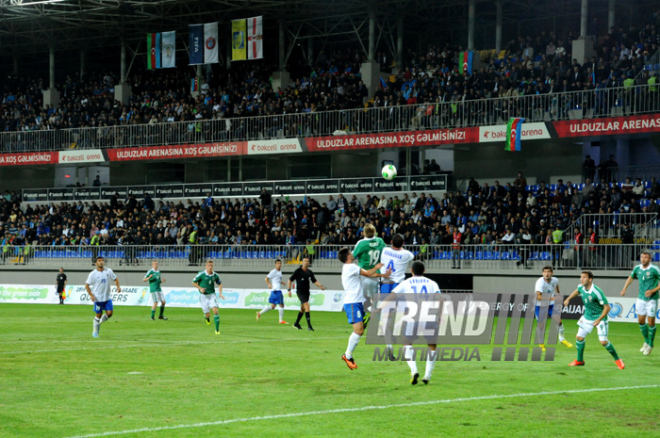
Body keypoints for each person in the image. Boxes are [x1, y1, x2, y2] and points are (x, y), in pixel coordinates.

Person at [338, 247, 391, 370]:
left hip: (357, 302)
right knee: (359, 331)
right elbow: (368, 273)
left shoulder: (352, 268)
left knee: (360, 329)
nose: (352, 253)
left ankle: (348, 354)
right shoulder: (350, 267)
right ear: (348, 257)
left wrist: (383, 274)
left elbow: (368, 273)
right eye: (351, 253)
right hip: (352, 303)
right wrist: (377, 267)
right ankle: (347, 355)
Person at [393, 261, 441, 385]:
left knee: (406, 343)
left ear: (411, 271)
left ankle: (414, 370)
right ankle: (427, 376)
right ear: (424, 271)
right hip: (429, 317)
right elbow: (440, 299)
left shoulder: (406, 282)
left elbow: (393, 295)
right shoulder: (432, 283)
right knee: (432, 345)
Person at [564, 271, 624, 369]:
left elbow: (607, 307)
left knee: (603, 342)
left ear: (590, 279)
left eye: (584, 277)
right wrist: (569, 298)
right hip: (587, 316)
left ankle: (618, 360)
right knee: (579, 337)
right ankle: (579, 360)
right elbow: (577, 290)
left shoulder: (596, 292)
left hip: (599, 317)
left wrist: (599, 319)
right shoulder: (581, 287)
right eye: (581, 277)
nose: (581, 279)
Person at [620, 250, 660, 355]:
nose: (643, 259)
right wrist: (624, 288)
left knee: (651, 322)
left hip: (652, 299)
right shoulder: (637, 268)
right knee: (641, 321)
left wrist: (652, 290)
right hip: (640, 298)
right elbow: (631, 277)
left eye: (646, 257)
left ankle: (651, 344)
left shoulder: (655, 269)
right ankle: (646, 341)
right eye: (642, 257)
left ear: (650, 259)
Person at [534, 266, 573, 351]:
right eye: (545, 272)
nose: (546, 273)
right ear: (542, 273)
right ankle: (541, 344)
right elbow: (538, 297)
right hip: (540, 306)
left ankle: (562, 339)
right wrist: (553, 298)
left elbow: (556, 285)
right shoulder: (540, 282)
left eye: (548, 272)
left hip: (551, 305)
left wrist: (558, 293)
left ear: (552, 273)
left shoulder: (555, 280)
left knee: (558, 321)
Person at [352, 223, 386, 314]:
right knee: (375, 299)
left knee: (359, 298)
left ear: (363, 233)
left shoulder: (361, 243)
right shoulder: (380, 241)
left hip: (364, 274)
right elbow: (386, 254)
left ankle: (360, 319)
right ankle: (375, 319)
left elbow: (352, 257)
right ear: (374, 232)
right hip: (375, 275)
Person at [85, 256, 121, 338]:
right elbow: (86, 285)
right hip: (98, 298)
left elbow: (115, 279)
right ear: (96, 263)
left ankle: (99, 323)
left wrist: (118, 287)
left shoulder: (109, 271)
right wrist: (91, 295)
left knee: (110, 313)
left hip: (107, 297)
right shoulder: (93, 274)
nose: (101, 262)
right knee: (99, 314)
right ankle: (95, 332)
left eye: (102, 260)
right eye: (99, 261)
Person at [287, 257, 326, 331]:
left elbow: (314, 281)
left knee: (303, 308)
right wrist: (289, 290)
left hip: (306, 292)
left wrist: (320, 286)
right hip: (300, 292)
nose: (306, 262)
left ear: (309, 263)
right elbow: (290, 280)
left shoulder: (309, 272)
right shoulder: (298, 271)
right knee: (307, 306)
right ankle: (309, 326)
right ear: (302, 262)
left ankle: (296, 323)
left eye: (307, 261)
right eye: (304, 261)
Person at [192, 259, 225, 335]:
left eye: (211, 265)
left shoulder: (215, 275)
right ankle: (207, 318)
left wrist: (220, 293)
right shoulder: (201, 274)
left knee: (215, 311)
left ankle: (217, 330)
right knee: (207, 314)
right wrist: (200, 288)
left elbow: (220, 284)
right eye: (209, 265)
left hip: (212, 295)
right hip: (203, 296)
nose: (210, 267)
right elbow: (193, 282)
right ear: (206, 266)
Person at [256, 259, 288, 324]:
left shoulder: (279, 272)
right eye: (278, 263)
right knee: (281, 305)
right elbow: (266, 278)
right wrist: (269, 284)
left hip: (274, 291)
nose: (279, 264)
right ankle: (281, 320)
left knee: (273, 306)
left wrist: (282, 282)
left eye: (280, 263)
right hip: (277, 290)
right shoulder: (273, 271)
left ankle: (260, 313)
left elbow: (276, 280)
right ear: (275, 264)